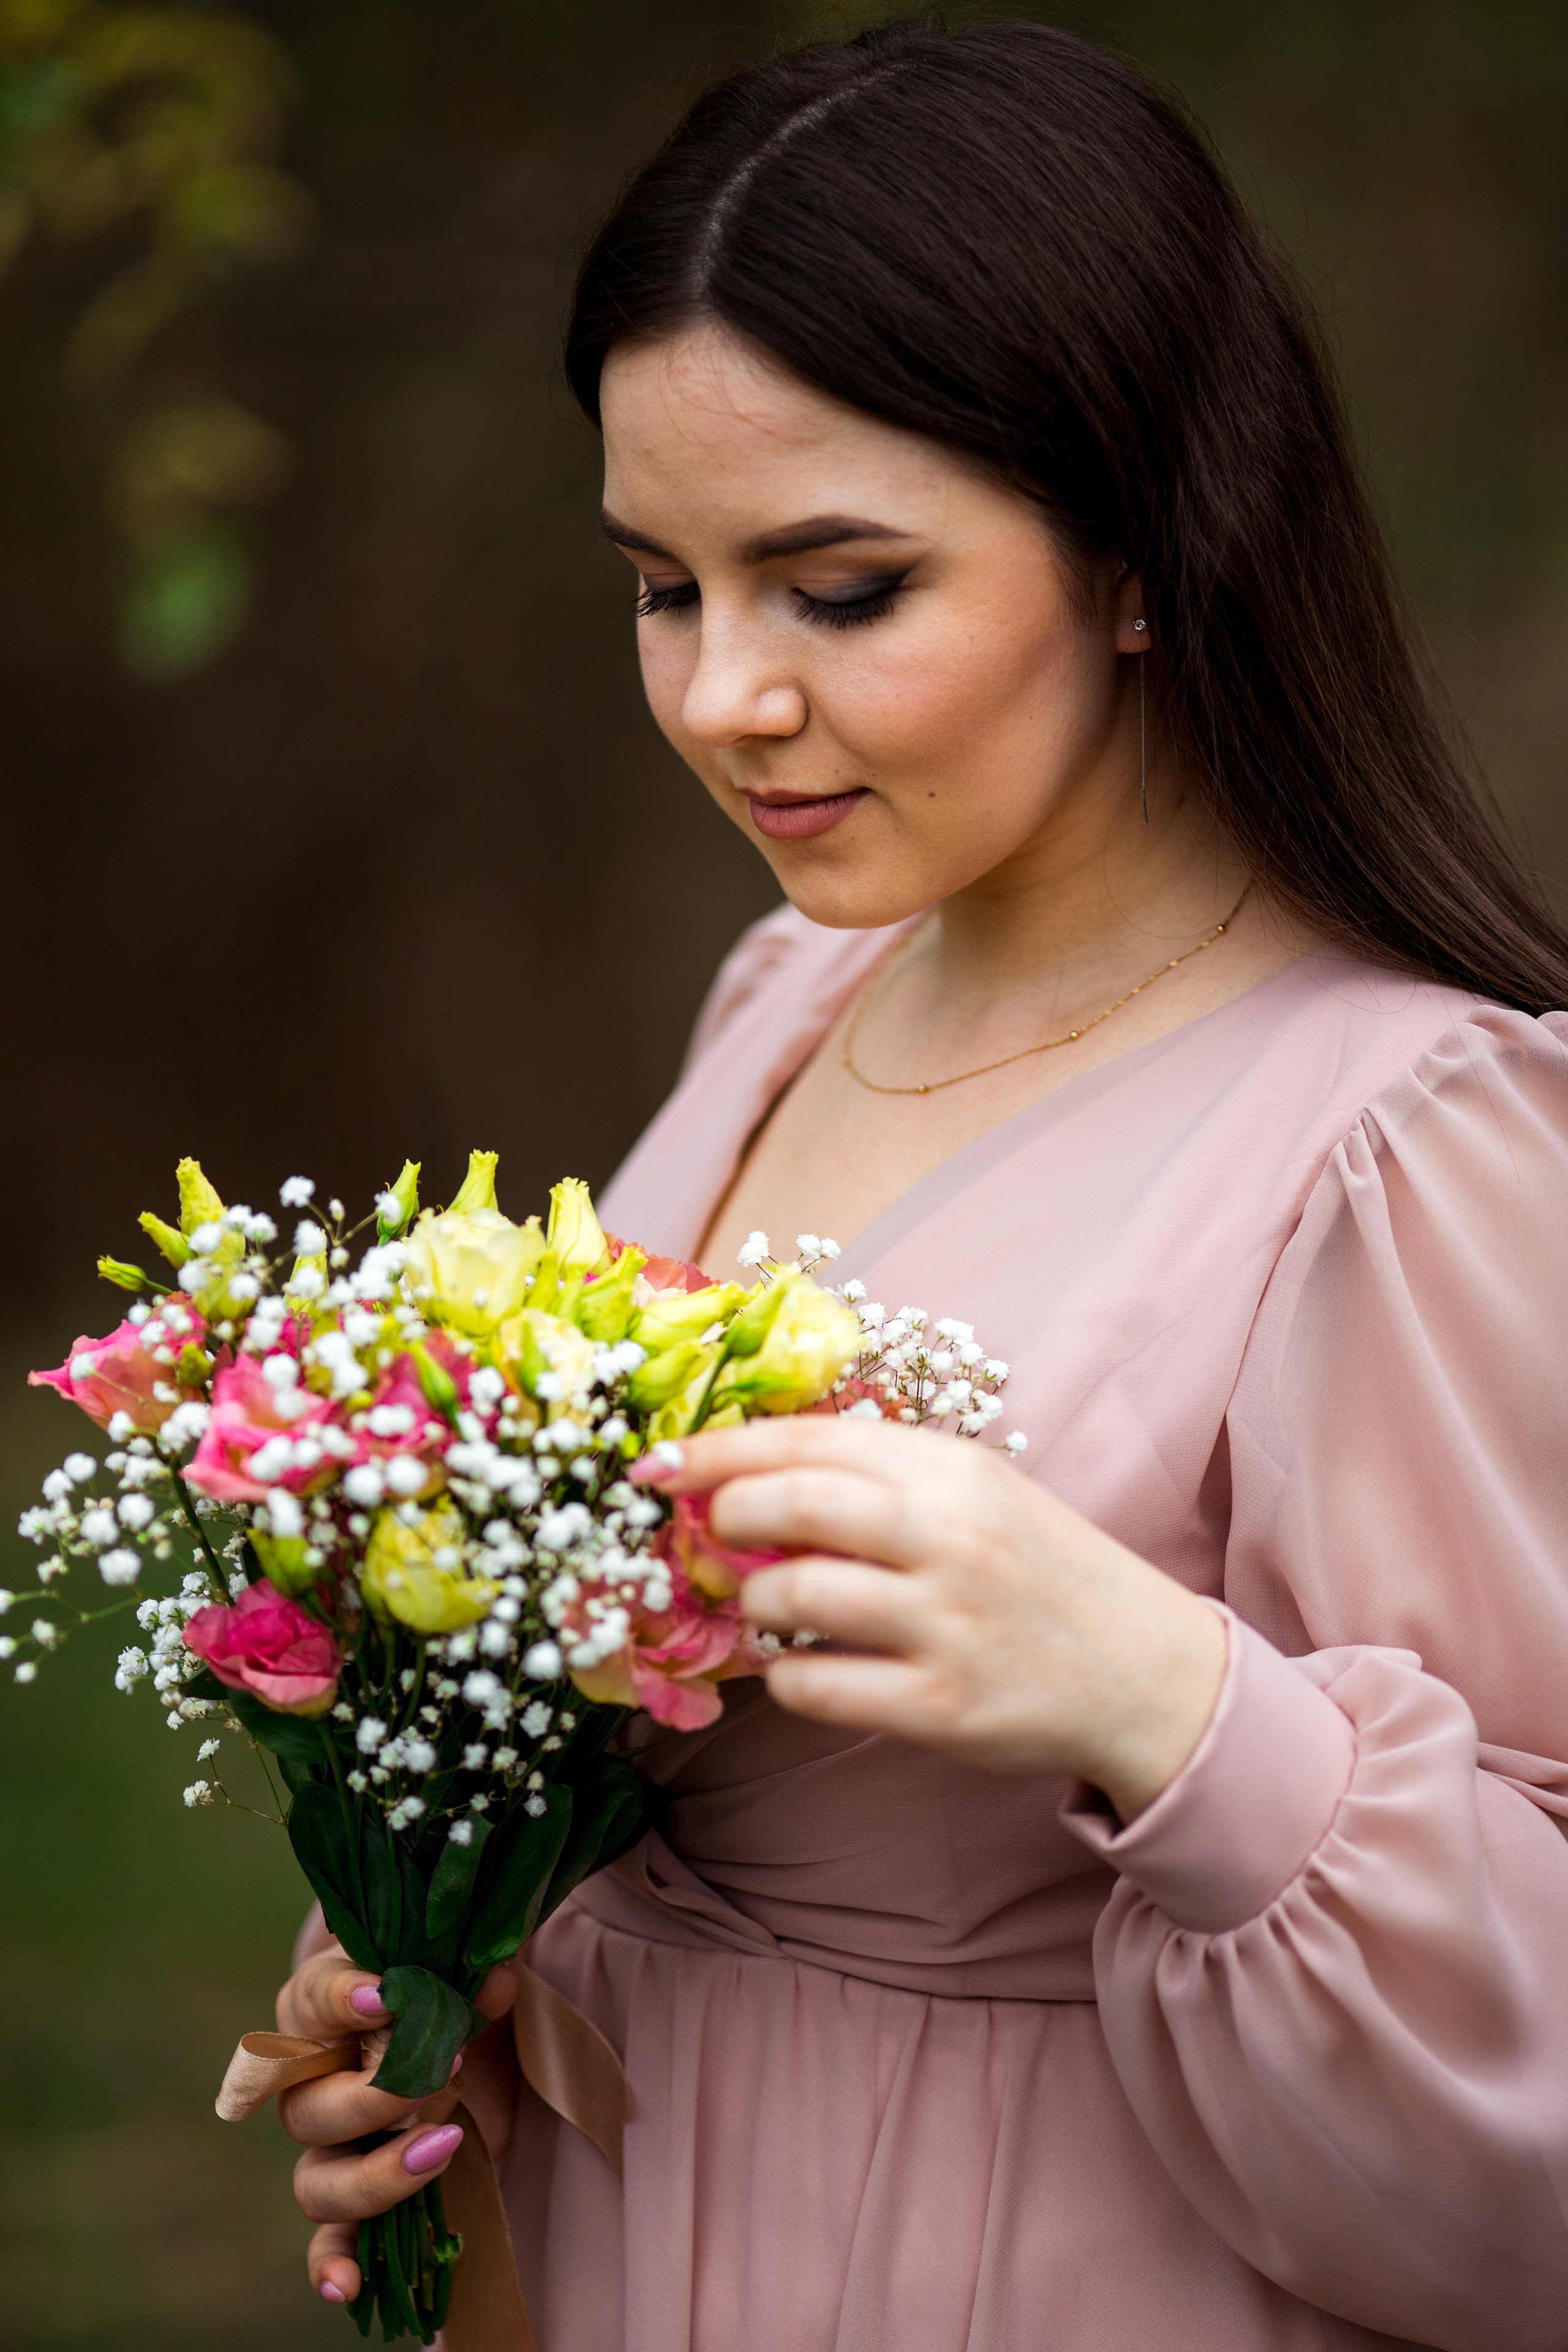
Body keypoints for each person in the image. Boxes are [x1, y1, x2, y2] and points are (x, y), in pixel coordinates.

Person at [273, 19, 1568, 2349]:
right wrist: (430, 1959)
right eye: (663, 586)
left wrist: (1172, 1708)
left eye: (839, 589)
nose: (719, 697)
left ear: (1154, 550)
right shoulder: (784, 1001)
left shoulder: (1427, 1139)